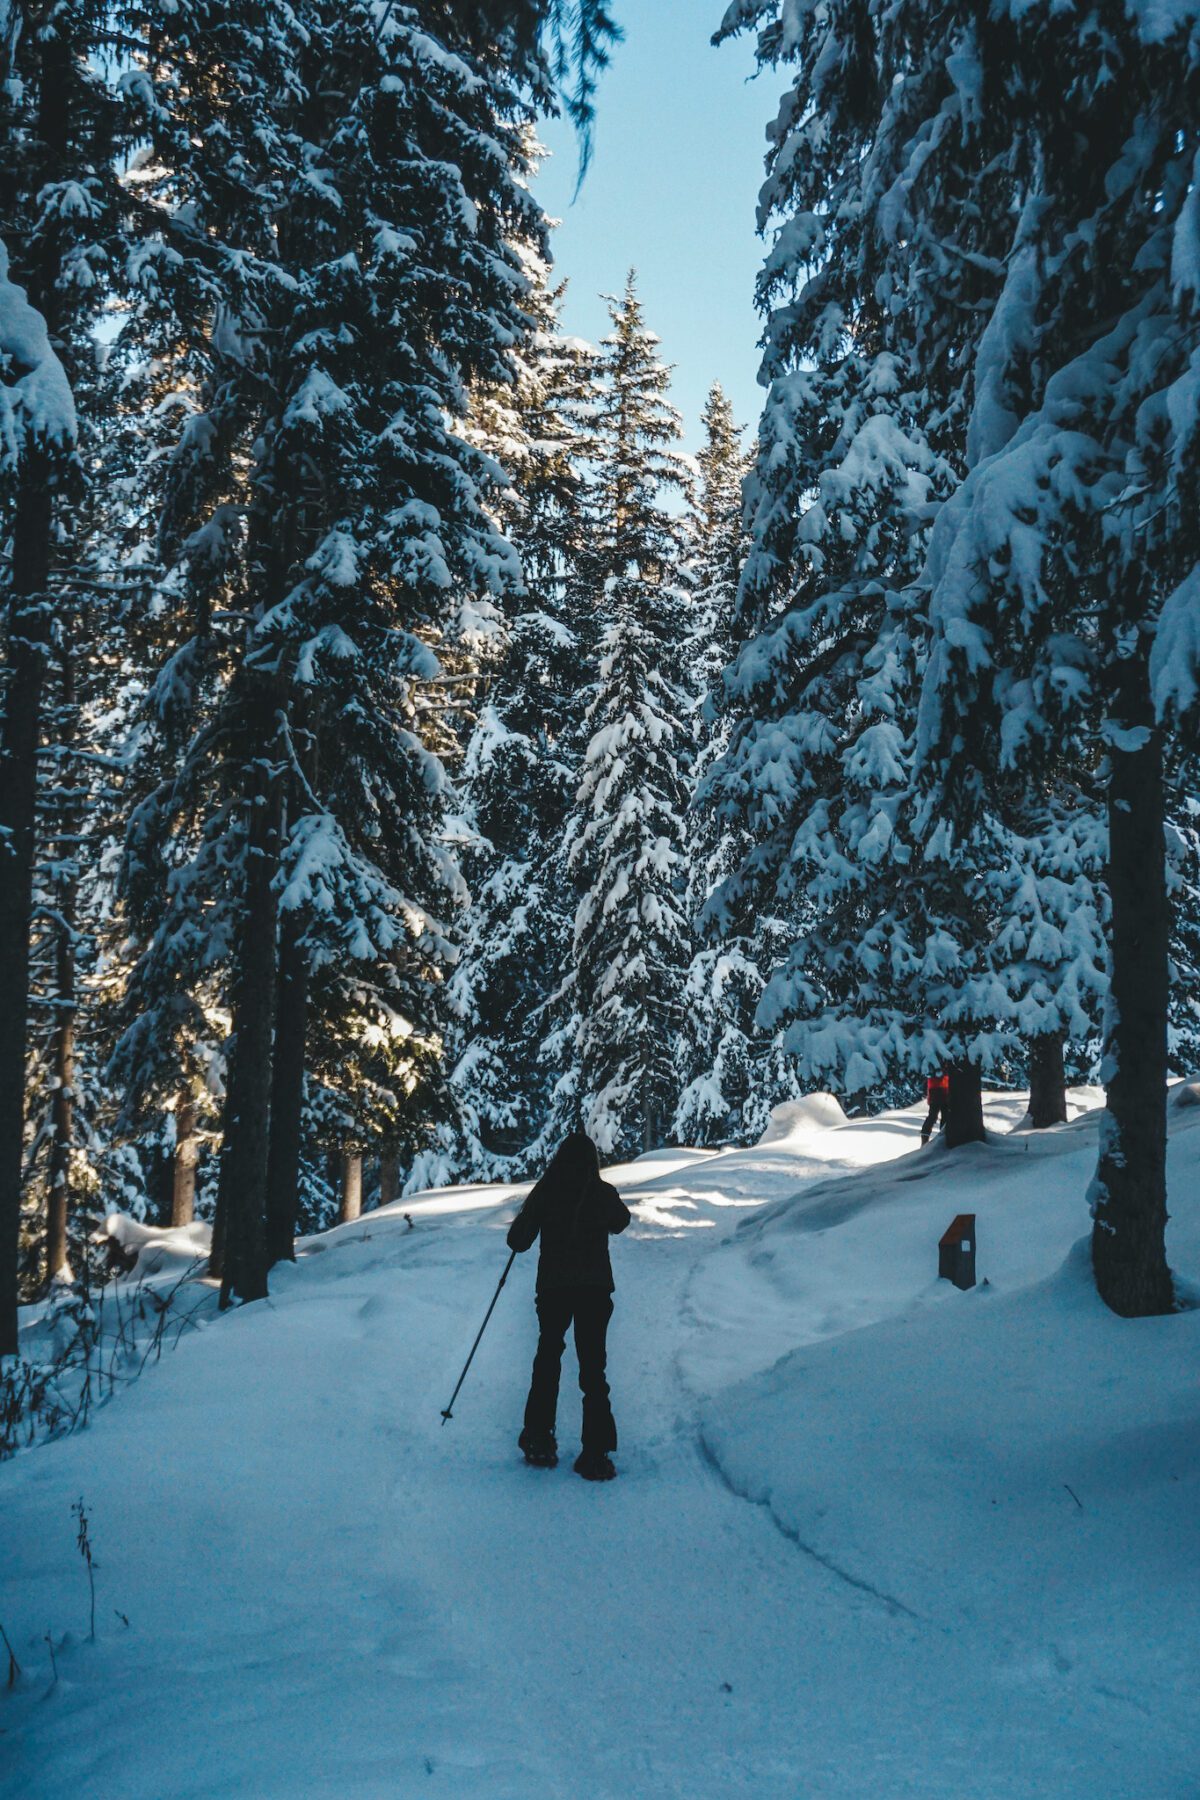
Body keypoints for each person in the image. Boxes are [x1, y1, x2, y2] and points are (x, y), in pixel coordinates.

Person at [507, 1128, 631, 1481]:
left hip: (554, 1289)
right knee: (593, 1369)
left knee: (548, 1358)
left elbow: (518, 1241)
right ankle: (596, 1451)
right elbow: (621, 1223)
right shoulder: (601, 1192)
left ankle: (539, 1438)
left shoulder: (547, 1191)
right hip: (594, 1289)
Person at [921, 1071, 950, 1144]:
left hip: (942, 1090)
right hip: (938, 1090)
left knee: (941, 1116)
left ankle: (940, 1137)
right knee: (935, 1116)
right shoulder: (938, 1062)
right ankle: (926, 1137)